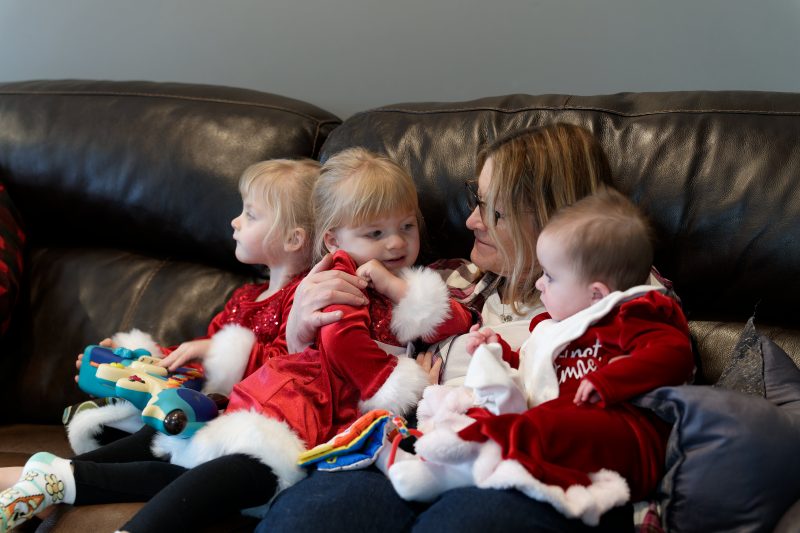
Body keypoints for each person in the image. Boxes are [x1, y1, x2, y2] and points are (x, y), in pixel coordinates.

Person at [0, 148, 473, 533]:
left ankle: (56, 478)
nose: (396, 243)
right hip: (273, 410)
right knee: (184, 448)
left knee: (202, 463)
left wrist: (401, 296)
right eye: (376, 233)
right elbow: (336, 347)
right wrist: (154, 361)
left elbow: (448, 319)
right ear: (333, 240)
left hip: (285, 415)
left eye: (407, 227)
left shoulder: (378, 284)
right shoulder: (326, 285)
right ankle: (53, 477)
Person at [261, 123, 647, 531]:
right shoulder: (443, 279)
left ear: (554, 215)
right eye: (475, 201)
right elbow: (339, 373)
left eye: (493, 210)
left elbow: (631, 419)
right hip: (407, 445)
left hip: (522, 465)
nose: (470, 221)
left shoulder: (621, 298)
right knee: (310, 515)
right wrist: (298, 335)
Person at [0, 157, 321, 532]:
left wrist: (219, 351)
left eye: (250, 215)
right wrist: (142, 363)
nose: (235, 222)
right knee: (153, 432)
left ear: (293, 239)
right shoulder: (245, 298)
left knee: (167, 440)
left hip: (248, 430)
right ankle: (47, 479)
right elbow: (196, 359)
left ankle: (45, 478)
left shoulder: (302, 301)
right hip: (200, 414)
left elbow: (293, 366)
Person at [386, 187, 695, 526]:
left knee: (544, 423)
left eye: (549, 276)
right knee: (523, 420)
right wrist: (499, 352)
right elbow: (533, 372)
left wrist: (609, 382)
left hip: (624, 438)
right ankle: (447, 461)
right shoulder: (550, 329)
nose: (539, 284)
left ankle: (454, 469)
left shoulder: (632, 314)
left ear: (596, 294)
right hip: (561, 436)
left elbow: (673, 354)